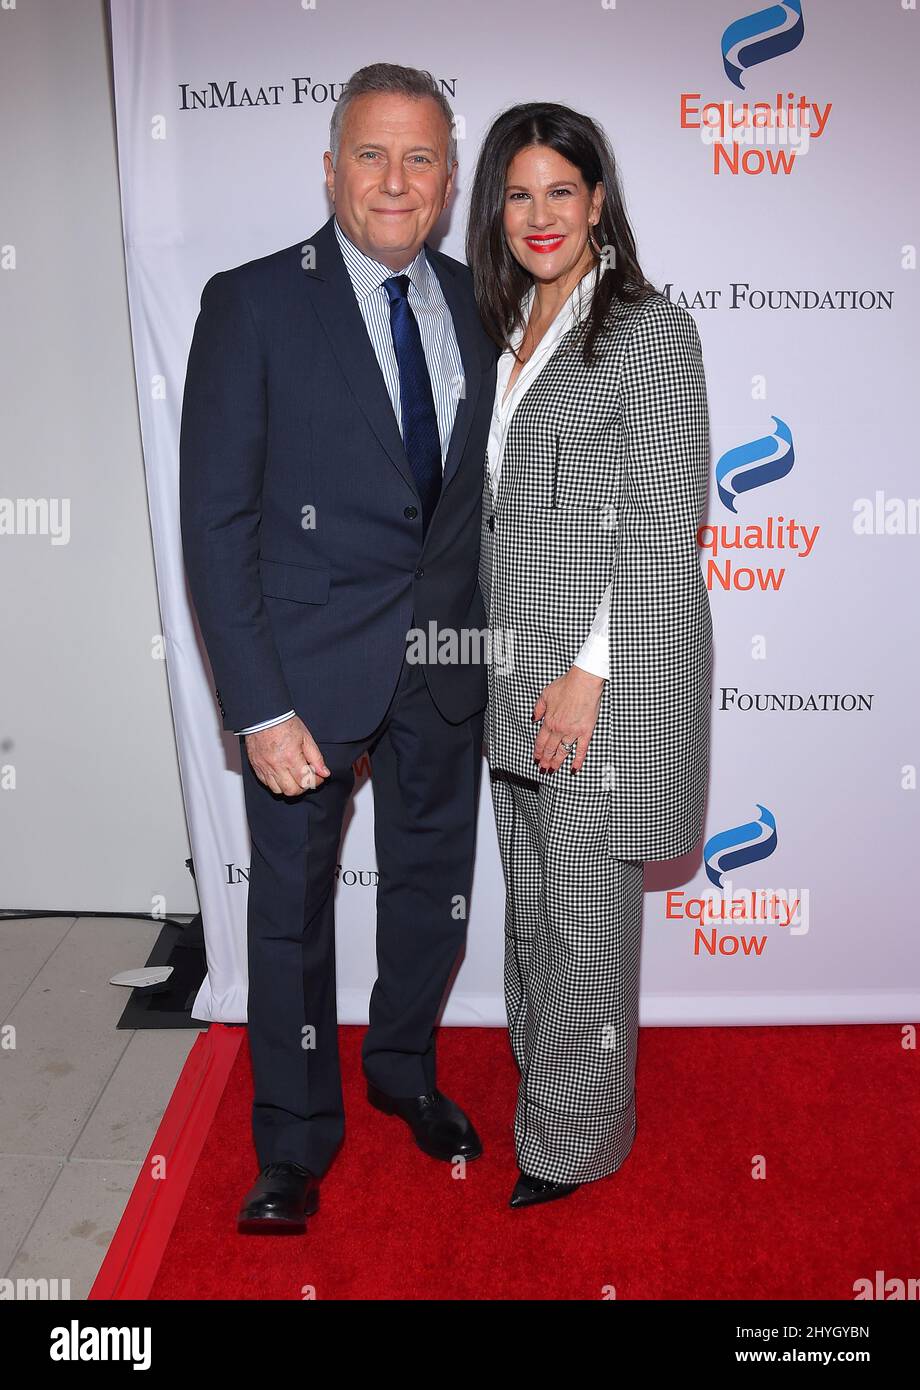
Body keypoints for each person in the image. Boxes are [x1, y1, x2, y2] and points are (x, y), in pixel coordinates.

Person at [179, 63, 497, 1234]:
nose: (394, 180)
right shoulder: (253, 303)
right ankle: (293, 1140)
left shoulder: (482, 302)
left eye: (419, 158)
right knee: (290, 910)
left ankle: (403, 1068)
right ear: (328, 167)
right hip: (304, 679)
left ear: (449, 179)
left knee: (432, 891)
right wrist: (256, 706)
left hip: (446, 664)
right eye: (371, 154)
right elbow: (215, 520)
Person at [467, 103, 713, 1209]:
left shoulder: (649, 330)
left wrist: (589, 672)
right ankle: (544, 1086)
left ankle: (571, 1144)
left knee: (582, 920)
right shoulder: (512, 322)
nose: (538, 214)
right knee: (531, 908)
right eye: (517, 194)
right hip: (510, 668)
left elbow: (665, 522)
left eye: (559, 191)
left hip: (595, 681)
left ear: (598, 199)